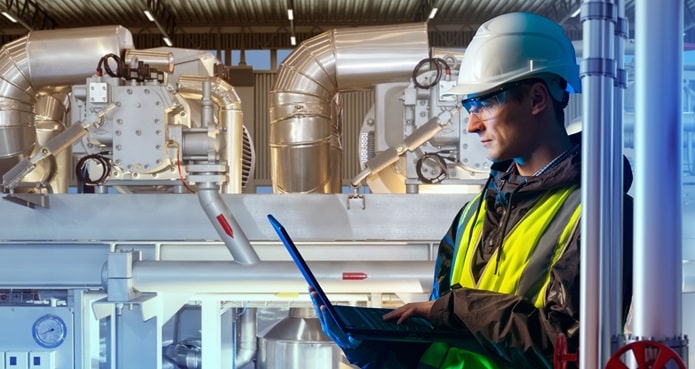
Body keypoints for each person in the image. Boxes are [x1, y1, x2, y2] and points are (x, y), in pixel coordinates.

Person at [310, 11, 634, 369]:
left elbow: (565, 348)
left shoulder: (598, 213)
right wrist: (370, 345)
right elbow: (442, 339)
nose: (472, 125)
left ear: (537, 99)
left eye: (485, 103)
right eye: (469, 105)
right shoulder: (473, 215)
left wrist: (459, 307)